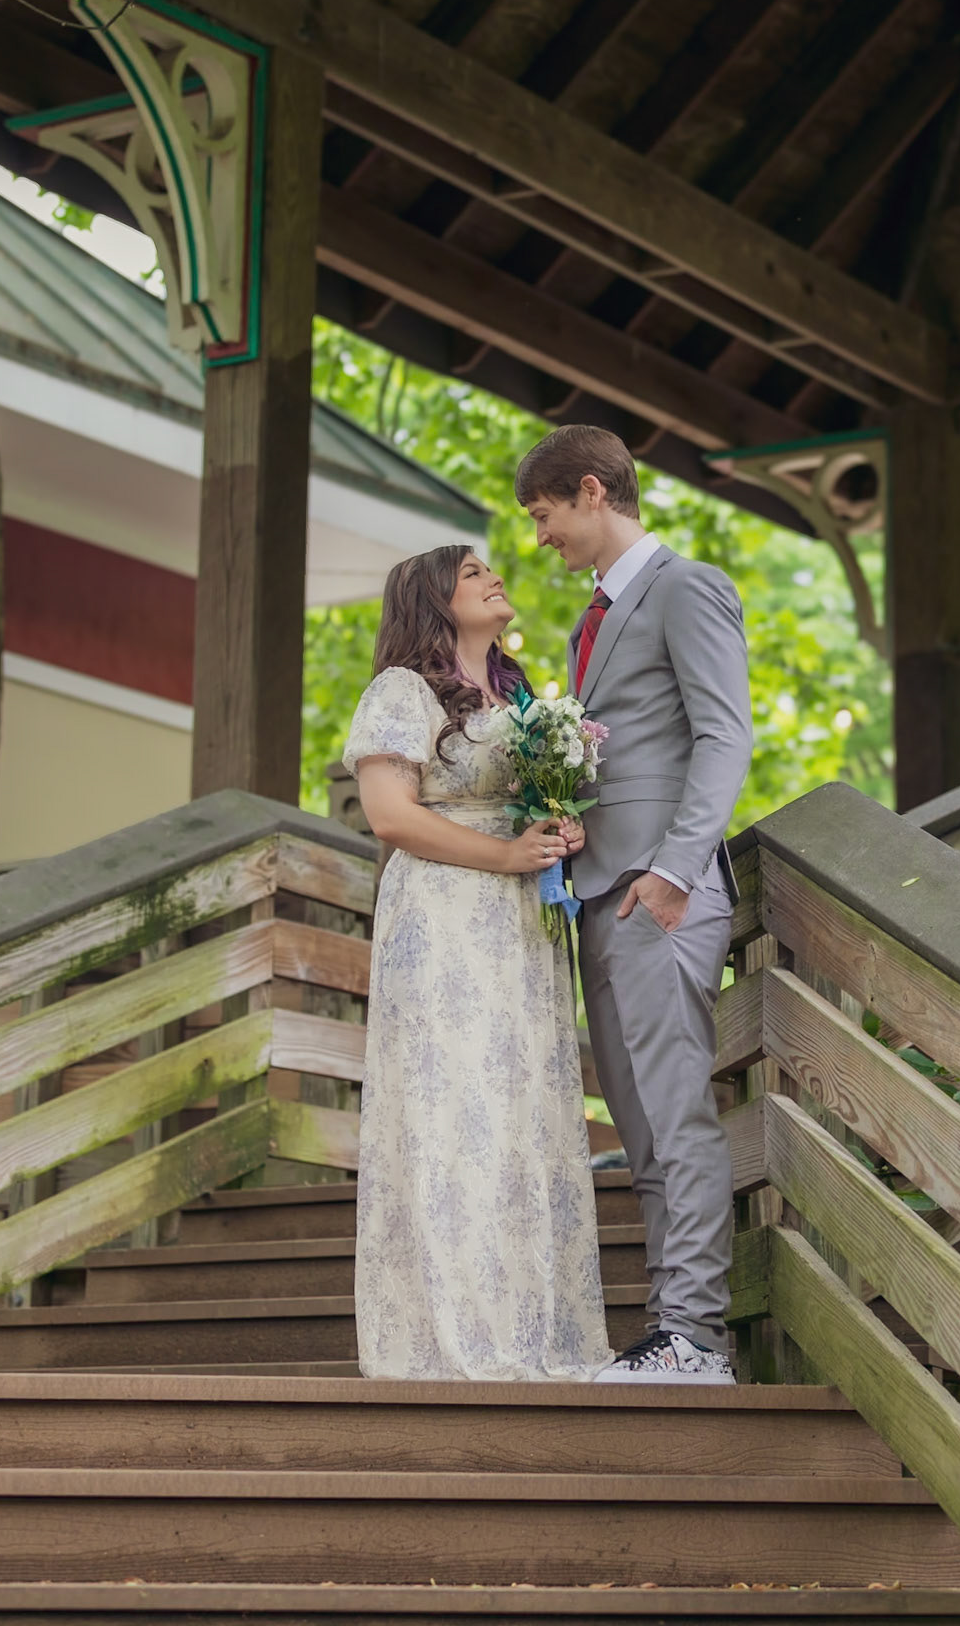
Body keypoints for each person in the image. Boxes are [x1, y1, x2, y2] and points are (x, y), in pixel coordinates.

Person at [515, 426, 753, 1385]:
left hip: (660, 896)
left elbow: (724, 737)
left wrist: (675, 871)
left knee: (675, 1114)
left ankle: (697, 1335)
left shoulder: (685, 586)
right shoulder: (596, 617)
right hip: (601, 899)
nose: (539, 538)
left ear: (590, 491)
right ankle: (671, 1330)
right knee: (640, 1127)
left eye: (543, 516)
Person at [342, 544, 611, 1381]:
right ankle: (451, 1334)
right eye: (471, 573)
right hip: (443, 915)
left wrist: (558, 829)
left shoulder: (519, 696)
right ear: (432, 599)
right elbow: (389, 816)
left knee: (522, 1107)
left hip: (522, 925)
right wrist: (503, 855)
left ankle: (534, 1329)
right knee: (453, 1107)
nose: (494, 577)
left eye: (490, 568)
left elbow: (526, 805)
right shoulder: (402, 691)